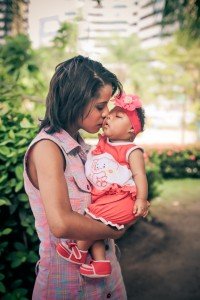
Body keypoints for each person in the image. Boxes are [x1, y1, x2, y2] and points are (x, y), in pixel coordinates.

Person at [23, 55, 143, 299]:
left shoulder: (85, 151)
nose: (106, 114)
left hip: (108, 284)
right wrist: (115, 230)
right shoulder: (48, 148)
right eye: (100, 106)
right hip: (68, 287)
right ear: (74, 102)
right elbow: (62, 224)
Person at [56, 92, 149, 278]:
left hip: (122, 199)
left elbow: (140, 175)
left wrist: (141, 199)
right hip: (104, 199)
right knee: (94, 226)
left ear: (131, 130)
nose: (108, 116)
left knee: (91, 222)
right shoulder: (102, 144)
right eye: (109, 113)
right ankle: (100, 264)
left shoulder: (131, 150)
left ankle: (79, 251)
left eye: (118, 116)